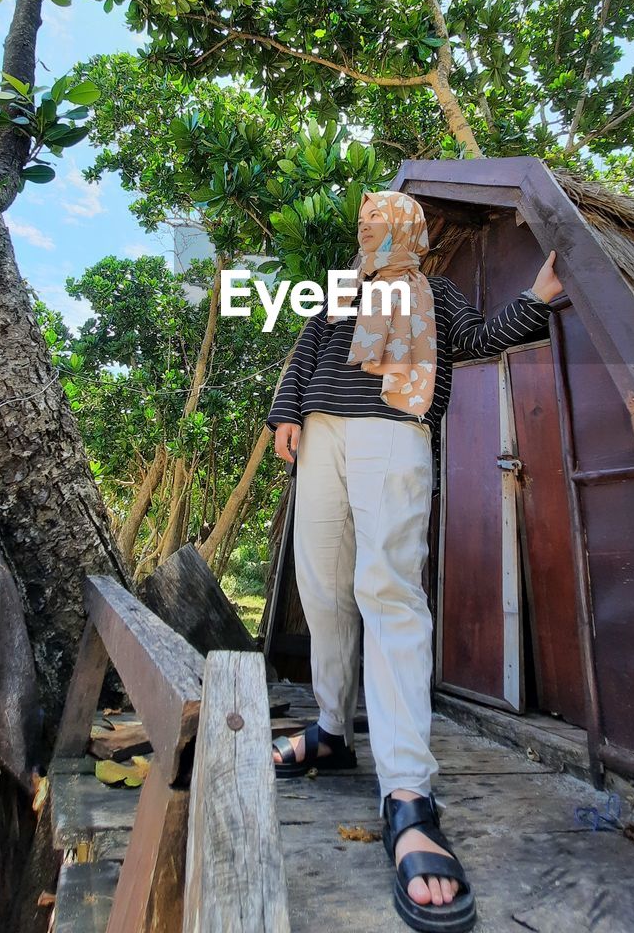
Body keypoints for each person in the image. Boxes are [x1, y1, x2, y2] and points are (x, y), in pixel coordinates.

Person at [266, 189, 563, 933]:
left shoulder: (437, 291)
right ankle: (333, 729)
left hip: (394, 431)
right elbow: (307, 346)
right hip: (323, 436)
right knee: (322, 588)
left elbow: (480, 338)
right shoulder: (340, 290)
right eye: (362, 223)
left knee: (388, 594)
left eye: (379, 222)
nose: (368, 230)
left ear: (409, 230)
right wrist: (287, 411)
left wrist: (538, 298)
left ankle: (408, 796)